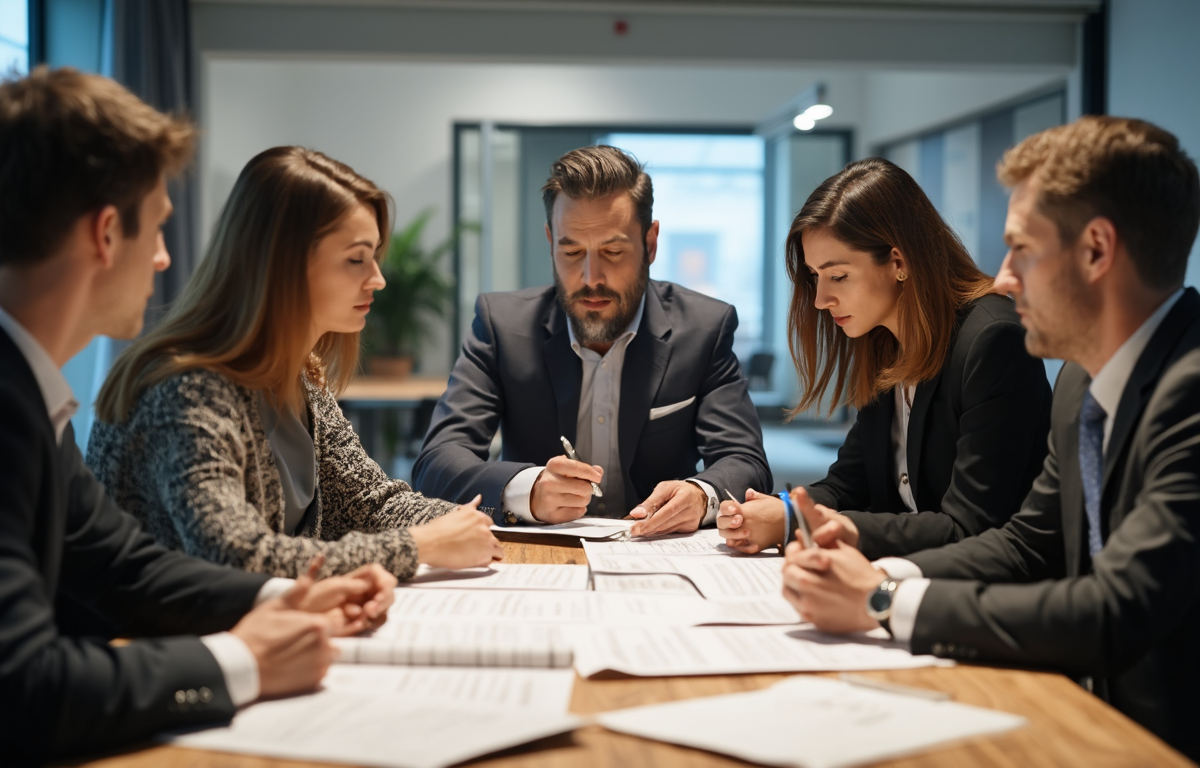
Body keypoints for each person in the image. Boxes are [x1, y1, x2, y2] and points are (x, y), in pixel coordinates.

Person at [0, 67, 397, 763]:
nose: (162, 261)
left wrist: (289, 597)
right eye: (157, 229)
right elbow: (22, 685)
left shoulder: (29, 393)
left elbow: (125, 567)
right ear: (104, 234)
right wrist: (240, 663)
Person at [780, 116, 1200, 761]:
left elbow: (1118, 608)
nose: (1003, 279)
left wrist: (881, 598)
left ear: (1095, 250)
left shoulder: (1191, 390)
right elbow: (1025, 545)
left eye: (1021, 249)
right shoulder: (1082, 384)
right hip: (1084, 712)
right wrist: (877, 574)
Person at [87, 146, 504, 580]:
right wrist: (421, 545)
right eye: (356, 259)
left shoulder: (299, 373)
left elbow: (370, 504)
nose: (377, 278)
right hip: (159, 640)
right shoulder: (186, 391)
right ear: (283, 264)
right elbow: (238, 557)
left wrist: (468, 523)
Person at [413, 145, 771, 536]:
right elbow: (437, 462)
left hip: (657, 552)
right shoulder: (502, 326)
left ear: (650, 244)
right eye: (571, 251)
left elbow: (745, 459)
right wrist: (525, 489)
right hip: (537, 555)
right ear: (551, 242)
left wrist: (701, 494)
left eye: (613, 251)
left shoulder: (705, 327)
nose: (590, 277)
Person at [718, 158, 1052, 559]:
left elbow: (971, 527)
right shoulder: (882, 338)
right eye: (813, 277)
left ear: (898, 262)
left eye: (837, 276)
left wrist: (799, 524)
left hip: (984, 596)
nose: (821, 300)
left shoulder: (992, 341)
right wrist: (782, 510)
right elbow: (848, 485)